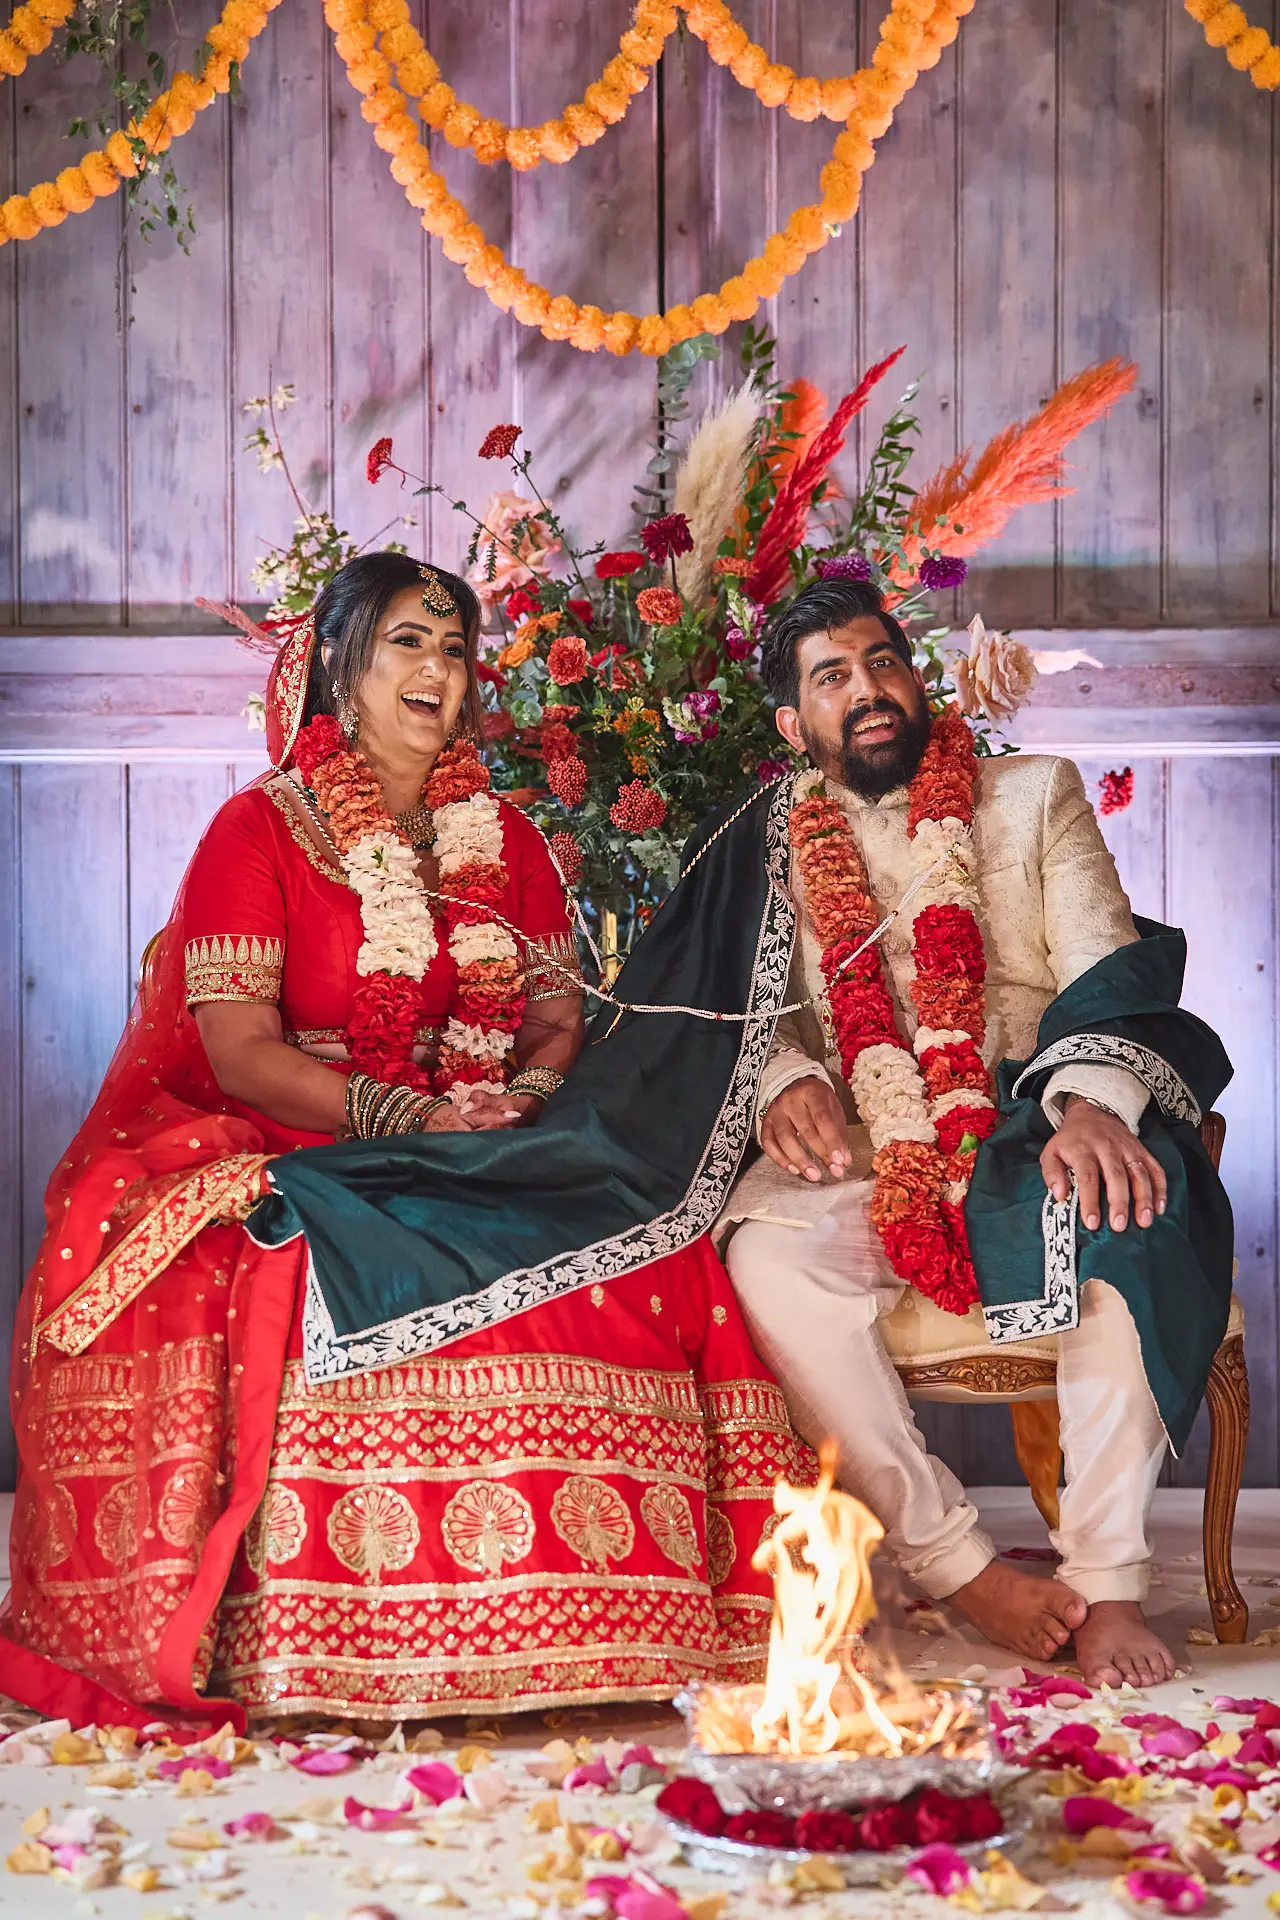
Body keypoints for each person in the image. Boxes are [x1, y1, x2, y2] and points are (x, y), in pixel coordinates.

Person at [2, 552, 808, 1729]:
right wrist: (408, 1117)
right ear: (339, 665)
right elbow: (239, 1050)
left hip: (483, 1132)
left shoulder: (506, 839)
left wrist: (518, 1099)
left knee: (652, 1245)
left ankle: (624, 1625)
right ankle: (327, 1638)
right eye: (408, 643)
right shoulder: (258, 831)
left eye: (454, 647)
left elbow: (553, 1018)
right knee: (290, 1250)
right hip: (301, 1130)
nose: (440, 669)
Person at [718, 577, 1234, 1690]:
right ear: (793, 726)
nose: (867, 690)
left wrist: (1088, 1103)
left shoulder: (1031, 796)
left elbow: (1109, 970)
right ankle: (956, 1565)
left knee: (1128, 1212)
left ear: (915, 678)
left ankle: (1105, 1583)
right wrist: (785, 1081)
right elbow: (737, 1014)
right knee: (767, 1259)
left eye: (881, 662)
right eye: (832, 677)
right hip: (866, 1140)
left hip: (1033, 1114)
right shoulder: (760, 847)